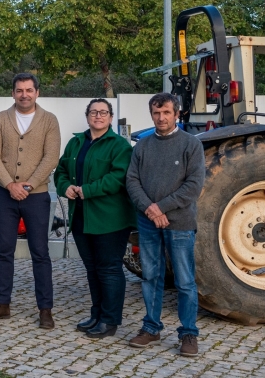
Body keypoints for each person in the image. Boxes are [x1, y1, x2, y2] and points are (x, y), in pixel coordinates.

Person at [126, 93, 205, 357]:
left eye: (166, 113)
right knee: (151, 277)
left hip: (180, 223)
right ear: (151, 114)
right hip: (148, 223)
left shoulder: (190, 145)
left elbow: (193, 186)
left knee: (184, 281)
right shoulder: (142, 147)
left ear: (177, 114)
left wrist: (161, 207)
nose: (161, 118)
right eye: (156, 113)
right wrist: (150, 209)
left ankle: (189, 334)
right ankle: (151, 327)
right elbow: (132, 182)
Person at [0, 73, 61, 328]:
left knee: (40, 253)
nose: (24, 94)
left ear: (38, 92)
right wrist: (10, 185)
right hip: (5, 195)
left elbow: (51, 157)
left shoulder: (49, 120)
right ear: (12, 93)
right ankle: (2, 304)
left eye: (28, 90)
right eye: (19, 90)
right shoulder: (1, 119)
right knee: (5, 251)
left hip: (36, 197)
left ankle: (45, 309)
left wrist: (28, 185)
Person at [54, 99, 136, 339]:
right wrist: (65, 187)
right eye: (93, 112)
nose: (98, 116)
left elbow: (118, 177)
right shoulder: (76, 142)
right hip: (80, 217)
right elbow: (60, 171)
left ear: (110, 117)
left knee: (109, 269)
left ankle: (110, 321)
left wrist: (87, 190)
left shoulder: (120, 146)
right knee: (92, 269)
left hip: (109, 219)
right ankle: (97, 314)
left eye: (103, 112)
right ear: (87, 115)